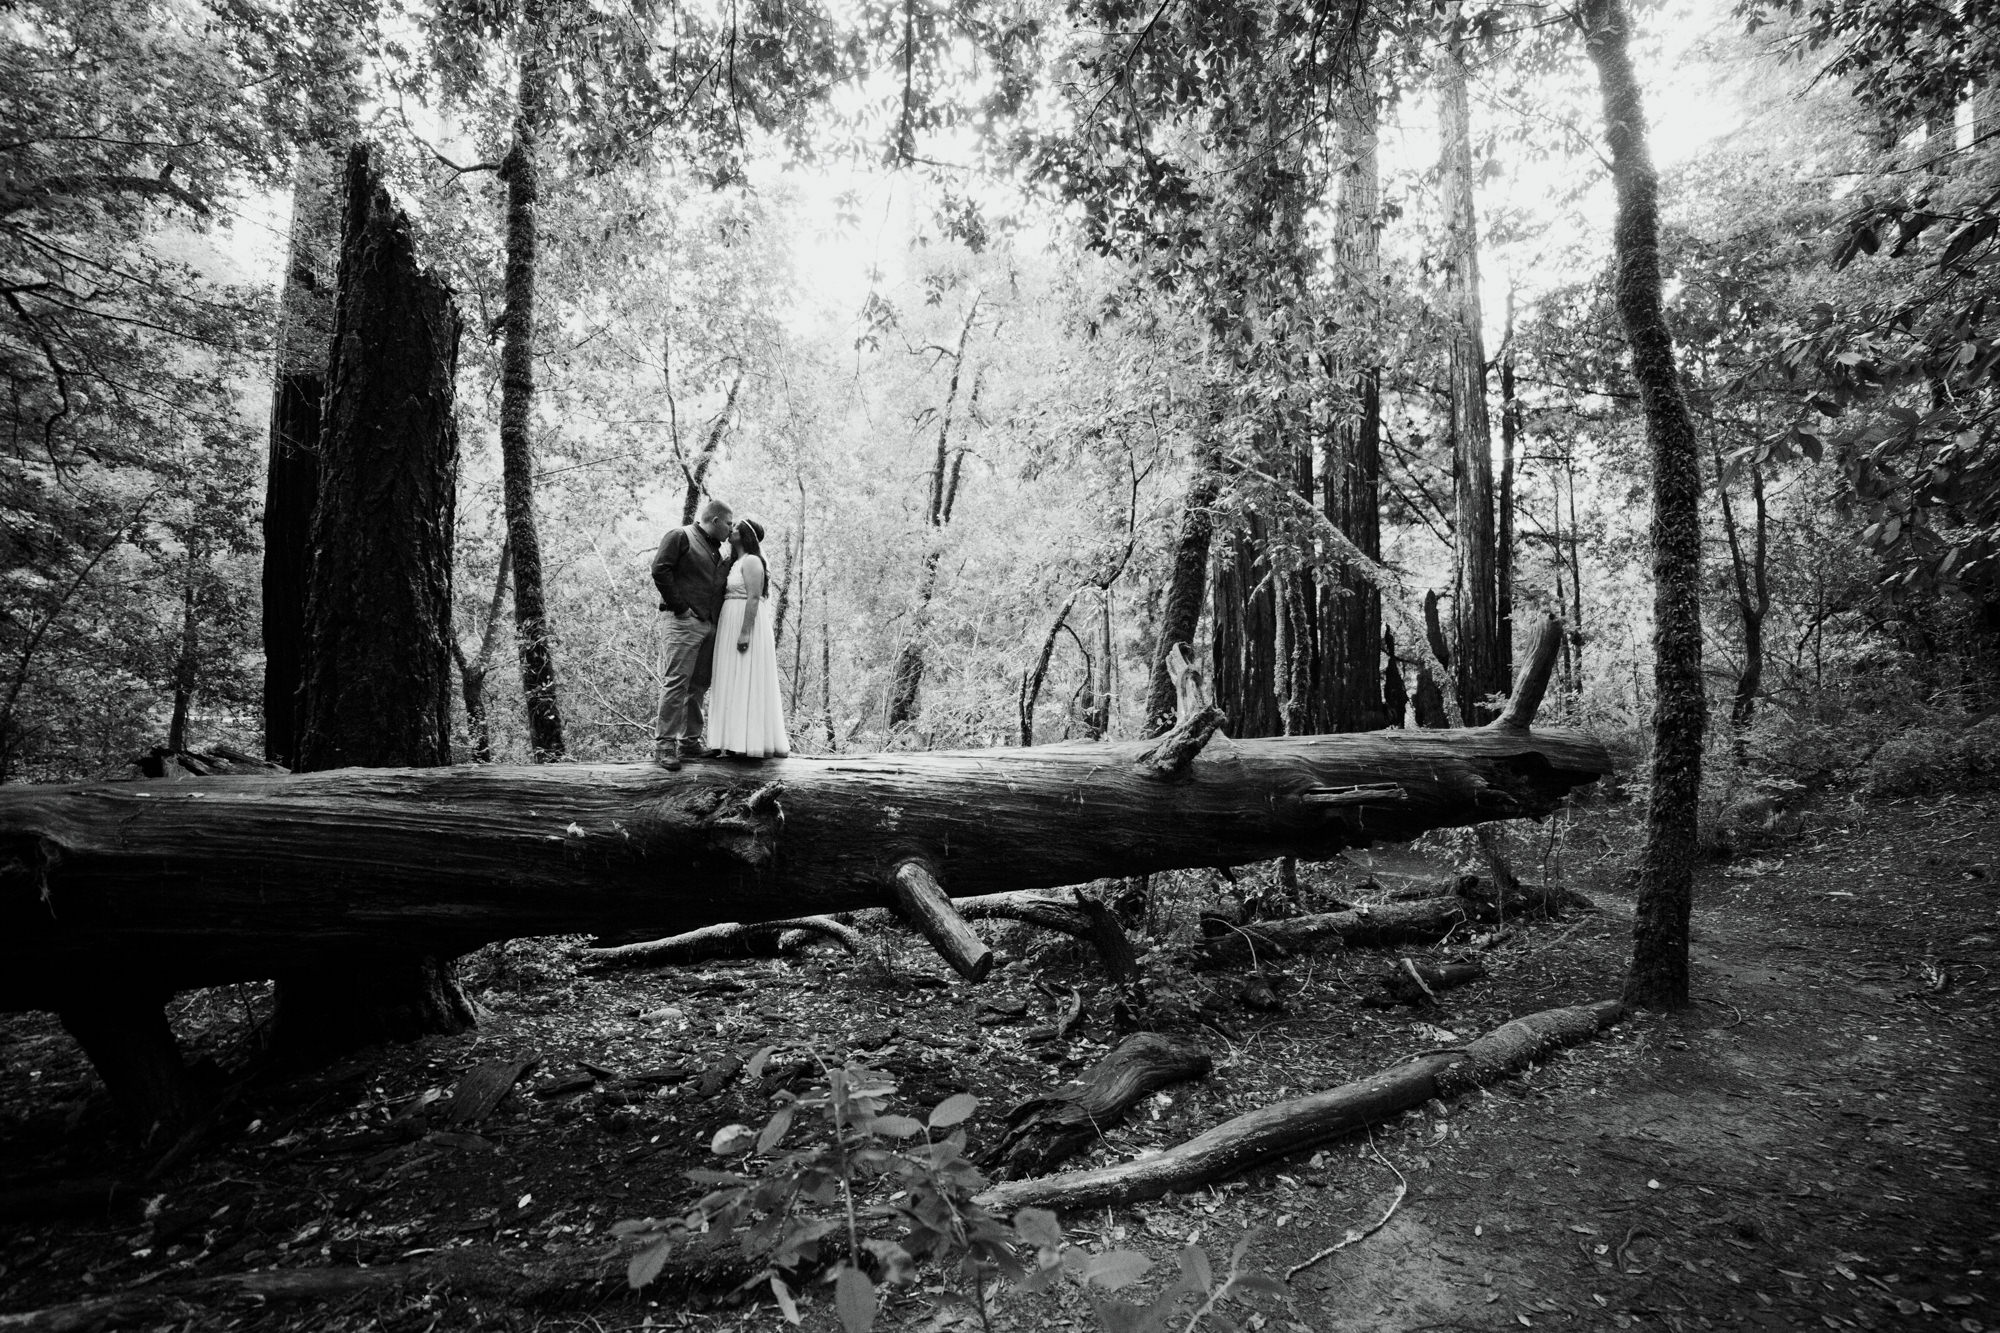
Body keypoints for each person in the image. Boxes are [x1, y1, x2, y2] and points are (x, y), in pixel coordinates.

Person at [650, 499, 733, 770]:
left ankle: (690, 743)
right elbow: (660, 569)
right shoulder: (680, 536)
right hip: (682, 622)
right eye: (729, 524)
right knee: (676, 682)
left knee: (698, 685)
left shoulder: (715, 549)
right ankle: (665, 746)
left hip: (708, 625)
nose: (731, 530)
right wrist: (681, 608)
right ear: (716, 520)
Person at [705, 517, 789, 760]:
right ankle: (729, 740)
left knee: (745, 675)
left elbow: (754, 597)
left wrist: (745, 632)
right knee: (730, 676)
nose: (730, 530)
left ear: (746, 535)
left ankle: (747, 741)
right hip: (729, 620)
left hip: (745, 620)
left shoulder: (752, 561)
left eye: (735, 528)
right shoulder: (734, 562)